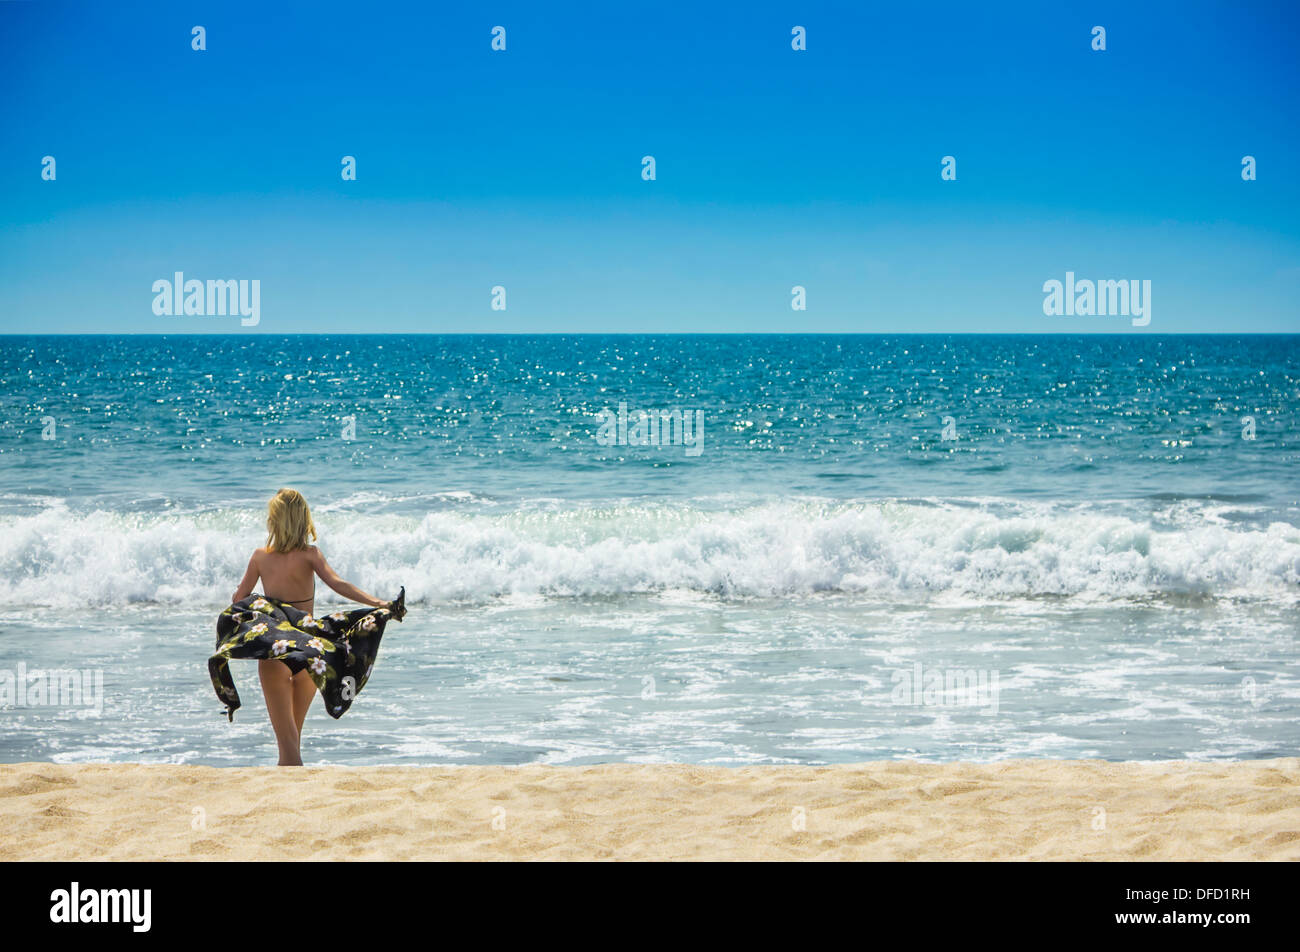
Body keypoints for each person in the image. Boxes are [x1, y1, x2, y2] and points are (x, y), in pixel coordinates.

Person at [208, 487, 406, 765]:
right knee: (293, 743)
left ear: (274, 521)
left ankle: (288, 790)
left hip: (275, 653)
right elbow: (339, 585)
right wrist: (379, 603)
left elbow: (239, 600)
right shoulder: (311, 555)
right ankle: (293, 790)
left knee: (288, 751)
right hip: (312, 654)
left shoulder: (260, 557)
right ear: (303, 519)